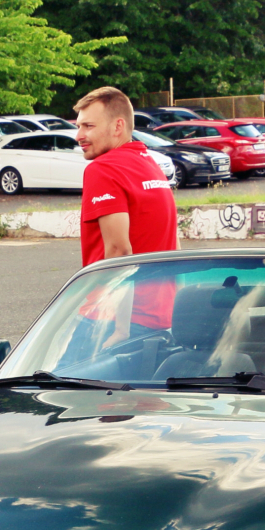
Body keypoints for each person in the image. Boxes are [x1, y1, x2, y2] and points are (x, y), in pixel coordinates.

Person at [73, 86, 179, 342]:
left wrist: (121, 330)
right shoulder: (149, 165)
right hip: (159, 318)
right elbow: (174, 246)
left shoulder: (103, 169)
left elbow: (119, 252)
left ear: (117, 126)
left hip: (111, 320)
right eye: (78, 126)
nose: (79, 135)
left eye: (88, 126)